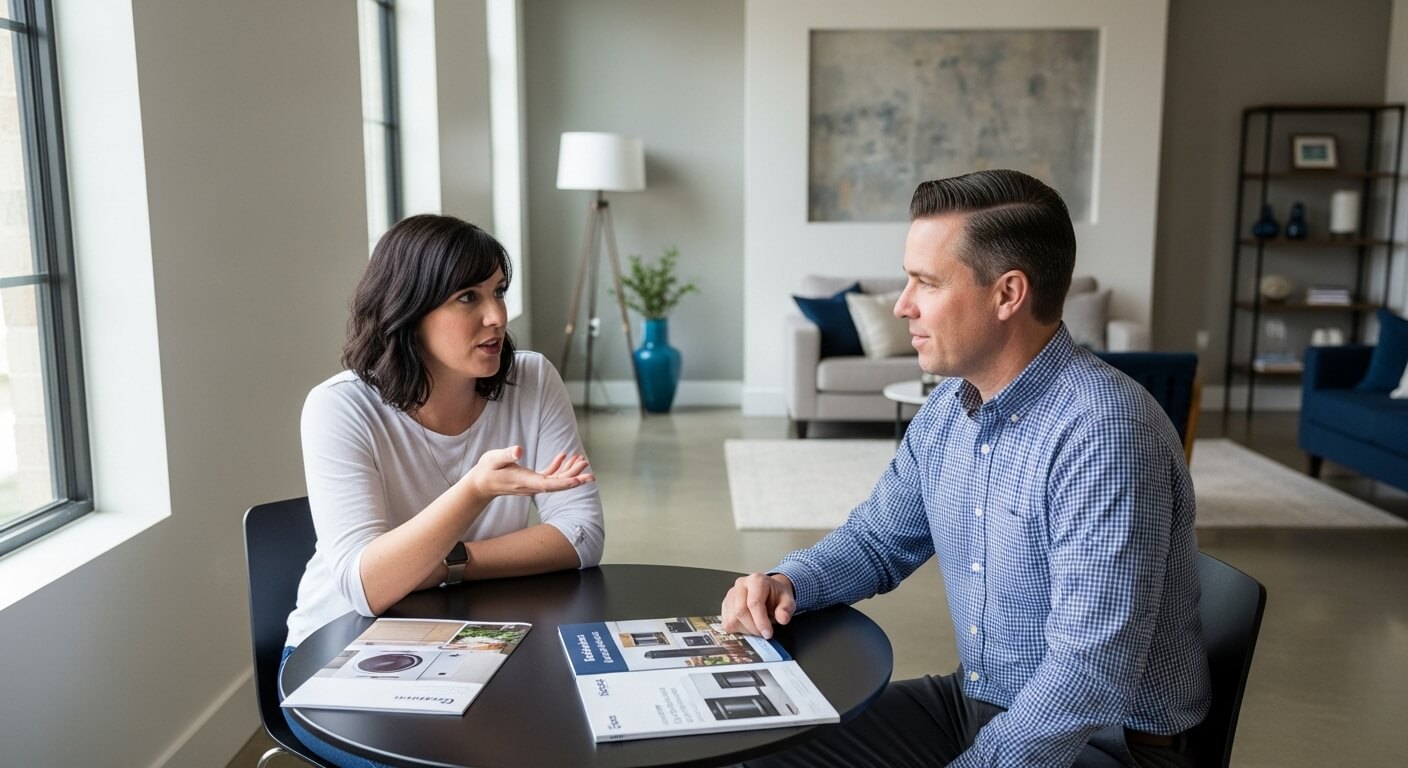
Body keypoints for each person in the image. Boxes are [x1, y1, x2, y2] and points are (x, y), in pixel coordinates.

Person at [721, 170, 1209, 768]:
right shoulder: (949, 408)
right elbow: (877, 542)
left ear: (1007, 294)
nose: (903, 305)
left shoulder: (1105, 434)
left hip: (1099, 743)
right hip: (979, 703)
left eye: (925, 282)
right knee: (756, 750)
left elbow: (1090, 673)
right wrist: (787, 583)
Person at [282, 214, 605, 768]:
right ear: (408, 309)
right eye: (467, 297)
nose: (497, 316)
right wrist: (474, 490)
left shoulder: (532, 381)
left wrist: (442, 566)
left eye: (499, 291)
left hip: (479, 638)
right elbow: (367, 587)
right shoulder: (341, 408)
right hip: (344, 648)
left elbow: (580, 537)